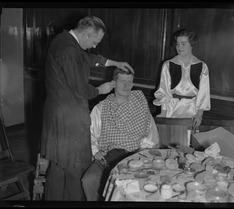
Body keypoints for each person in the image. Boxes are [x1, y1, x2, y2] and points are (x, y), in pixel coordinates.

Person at [40, 16, 134, 201]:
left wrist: (112, 62)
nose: (94, 46)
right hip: (69, 119)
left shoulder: (65, 40)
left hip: (59, 115)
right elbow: (80, 88)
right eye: (94, 41)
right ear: (84, 33)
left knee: (58, 168)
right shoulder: (68, 49)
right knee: (75, 168)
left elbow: (86, 58)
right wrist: (101, 89)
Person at [81, 67, 159, 201]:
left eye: (130, 82)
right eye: (122, 81)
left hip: (134, 156)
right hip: (108, 157)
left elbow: (150, 134)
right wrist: (95, 151)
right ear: (114, 83)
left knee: (134, 186)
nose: (127, 85)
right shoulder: (101, 107)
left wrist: (142, 151)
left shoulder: (140, 104)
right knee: (88, 180)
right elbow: (90, 134)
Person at [153, 28, 211, 129]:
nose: (179, 47)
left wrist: (199, 115)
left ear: (191, 44)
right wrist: (163, 114)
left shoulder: (202, 67)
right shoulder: (168, 65)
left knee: (187, 141)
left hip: (191, 111)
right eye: (177, 44)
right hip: (172, 109)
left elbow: (203, 95)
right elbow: (164, 91)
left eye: (183, 44)